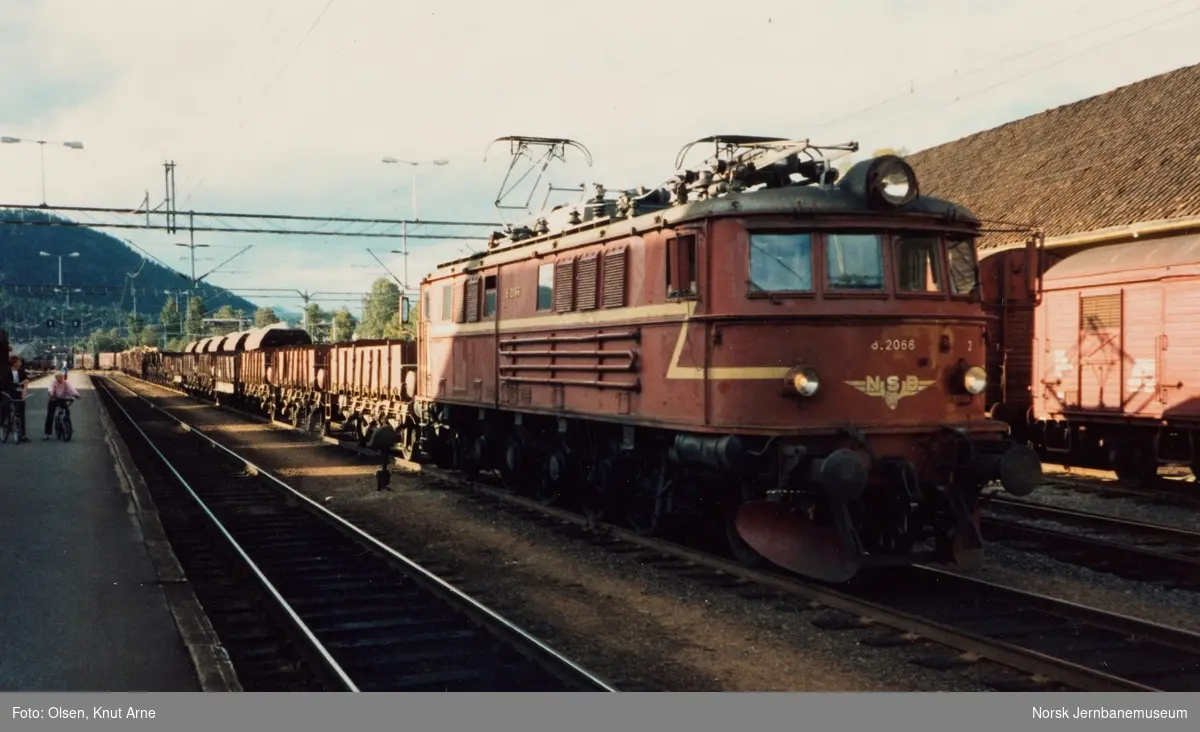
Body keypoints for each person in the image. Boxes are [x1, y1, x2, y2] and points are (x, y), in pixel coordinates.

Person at [45, 371, 81, 440]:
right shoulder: (53, 382)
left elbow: (71, 390)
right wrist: (51, 393)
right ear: (56, 378)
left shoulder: (66, 382)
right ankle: (47, 434)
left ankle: (67, 426)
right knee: (50, 416)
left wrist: (76, 394)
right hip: (54, 399)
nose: (61, 379)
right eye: (59, 377)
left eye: (62, 377)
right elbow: (50, 389)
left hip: (62, 399)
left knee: (67, 411)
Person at [4, 355, 30, 442]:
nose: (21, 363)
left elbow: (26, 380)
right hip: (9, 392)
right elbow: (7, 385)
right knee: (6, 406)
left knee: (21, 413)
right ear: (14, 363)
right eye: (19, 361)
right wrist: (20, 384)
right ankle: (5, 423)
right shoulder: (7, 372)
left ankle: (23, 435)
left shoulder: (21, 371)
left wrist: (24, 390)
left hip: (19, 392)